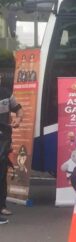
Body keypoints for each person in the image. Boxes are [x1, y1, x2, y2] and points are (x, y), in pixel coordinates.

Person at [0, 71, 23, 224]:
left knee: (2, 173)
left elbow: (19, 109)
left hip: (3, 139)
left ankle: (2, 206)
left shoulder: (6, 93)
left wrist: (18, 119)